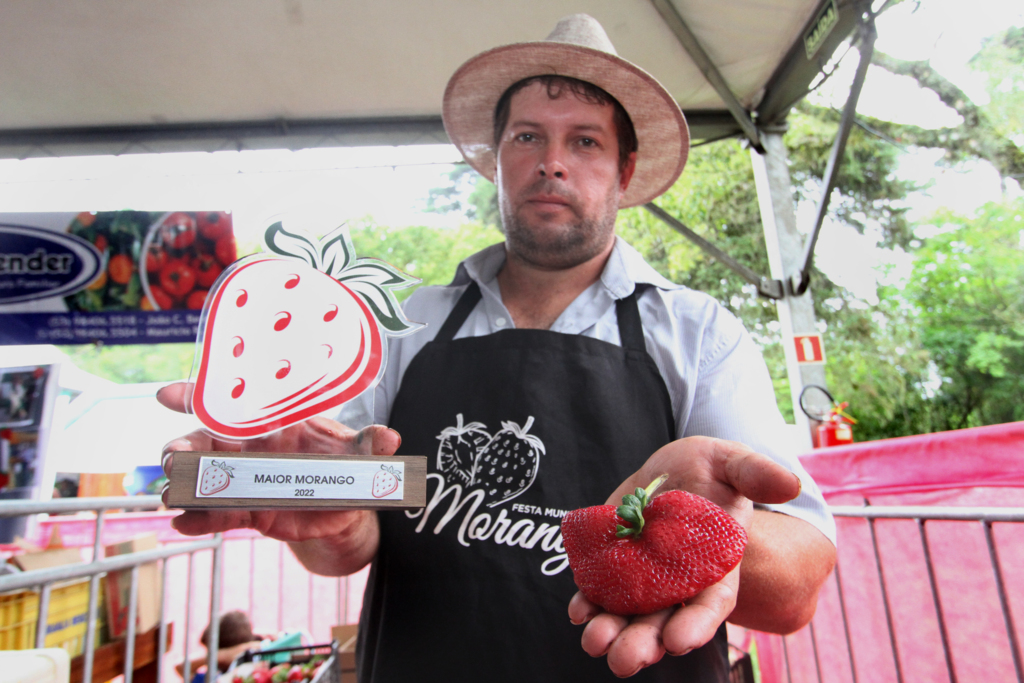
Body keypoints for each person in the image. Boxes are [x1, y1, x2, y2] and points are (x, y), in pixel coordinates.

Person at [160, 14, 836, 682]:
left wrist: (696, 538)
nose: (552, 161)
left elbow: (797, 584)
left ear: (624, 170)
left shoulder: (698, 334)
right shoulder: (404, 327)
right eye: (527, 136)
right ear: (494, 160)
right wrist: (329, 519)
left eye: (586, 142)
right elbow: (350, 533)